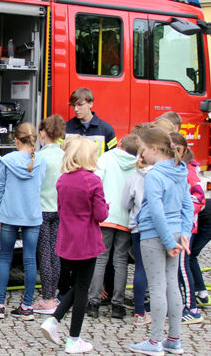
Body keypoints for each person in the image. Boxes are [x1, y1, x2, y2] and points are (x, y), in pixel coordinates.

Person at [39, 137, 108, 354]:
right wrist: (105, 206)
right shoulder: (93, 181)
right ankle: (74, 338)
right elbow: (100, 215)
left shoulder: (63, 180)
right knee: (82, 289)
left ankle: (54, 320)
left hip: (66, 241)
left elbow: (60, 209)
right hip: (86, 242)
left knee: (77, 285)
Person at [129, 128, 193, 356]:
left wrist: (167, 241)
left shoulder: (155, 174)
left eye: (143, 150)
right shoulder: (180, 170)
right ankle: (174, 339)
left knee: (157, 287)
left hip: (155, 235)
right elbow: (188, 205)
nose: (142, 155)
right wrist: (184, 233)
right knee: (172, 286)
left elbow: (156, 210)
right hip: (176, 233)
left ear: (154, 149)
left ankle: (154, 341)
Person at [0, 123, 46, 320]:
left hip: (9, 214)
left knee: (5, 258)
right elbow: (41, 184)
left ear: (16, 140)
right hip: (33, 215)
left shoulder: (6, 160)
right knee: (30, 260)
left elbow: (0, 188)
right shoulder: (41, 161)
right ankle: (27, 307)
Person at [86, 134, 140, 320]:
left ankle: (93, 303)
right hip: (125, 217)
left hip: (106, 214)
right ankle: (118, 305)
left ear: (119, 143)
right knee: (120, 261)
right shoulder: (136, 165)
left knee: (100, 259)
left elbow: (96, 182)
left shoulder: (107, 158)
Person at [32, 115, 67, 315]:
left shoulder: (40, 157)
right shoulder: (64, 156)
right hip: (59, 209)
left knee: (43, 254)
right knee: (55, 253)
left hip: (42, 210)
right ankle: (53, 296)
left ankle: (47, 299)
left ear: (43, 133)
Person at [171, 132, 206, 325]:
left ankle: (192, 307)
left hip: (185, 229)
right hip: (176, 227)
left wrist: (179, 211)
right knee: (176, 270)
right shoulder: (177, 169)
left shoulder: (188, 171)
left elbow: (199, 199)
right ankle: (179, 305)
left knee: (183, 268)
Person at [121, 141, 152, 325]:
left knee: (140, 267)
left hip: (138, 227)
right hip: (156, 228)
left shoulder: (133, 177)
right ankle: (157, 308)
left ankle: (139, 312)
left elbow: (126, 203)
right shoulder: (160, 175)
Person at [65, 88, 117, 156]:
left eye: (80, 105)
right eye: (74, 105)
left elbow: (114, 156)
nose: (76, 109)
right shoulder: (66, 128)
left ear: (90, 104)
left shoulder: (106, 130)